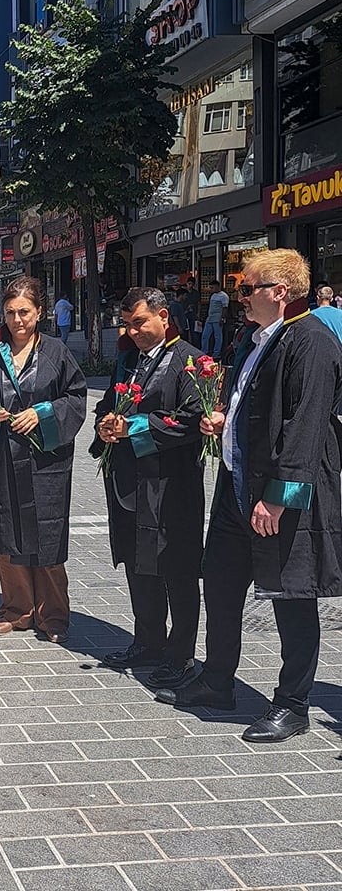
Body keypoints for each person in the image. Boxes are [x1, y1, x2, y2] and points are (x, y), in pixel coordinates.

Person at [156, 250, 342, 743]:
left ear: (279, 291)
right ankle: (217, 680)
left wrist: (278, 497)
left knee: (290, 598)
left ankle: (293, 703)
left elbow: (306, 424)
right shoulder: (258, 338)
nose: (240, 296)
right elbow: (248, 401)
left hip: (282, 497)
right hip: (237, 490)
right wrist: (223, 419)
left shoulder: (313, 342)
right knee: (219, 585)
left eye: (247, 288)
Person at [93, 287, 205, 690]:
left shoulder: (191, 360)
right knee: (140, 564)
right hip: (130, 481)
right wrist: (105, 424)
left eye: (139, 322)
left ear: (163, 316)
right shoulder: (128, 361)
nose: (133, 331)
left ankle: (181, 653)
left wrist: (134, 427)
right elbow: (108, 404)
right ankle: (148, 640)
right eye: (127, 324)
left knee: (177, 569)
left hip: (171, 484)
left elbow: (192, 419)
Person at [0, 278, 86, 642]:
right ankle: (17, 609)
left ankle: (54, 615)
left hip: (44, 459)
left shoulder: (55, 351)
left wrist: (43, 413)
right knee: (7, 531)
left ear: (40, 313)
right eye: (10, 312)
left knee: (47, 534)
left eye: (24, 312)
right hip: (3, 455)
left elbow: (78, 398)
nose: (17, 319)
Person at [201, 279, 229, 358]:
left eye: (212, 288)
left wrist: (222, 318)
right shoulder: (213, 295)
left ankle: (216, 353)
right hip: (210, 318)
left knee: (218, 336)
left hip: (217, 318)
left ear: (217, 286)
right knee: (205, 335)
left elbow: (225, 308)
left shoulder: (224, 296)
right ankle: (204, 351)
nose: (211, 289)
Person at [185, 277, 201, 347]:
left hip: (193, 314)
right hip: (185, 314)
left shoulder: (196, 293)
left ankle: (196, 345)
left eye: (192, 284)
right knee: (186, 331)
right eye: (189, 284)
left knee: (194, 331)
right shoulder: (184, 293)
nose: (190, 286)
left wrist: (198, 313)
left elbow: (199, 304)